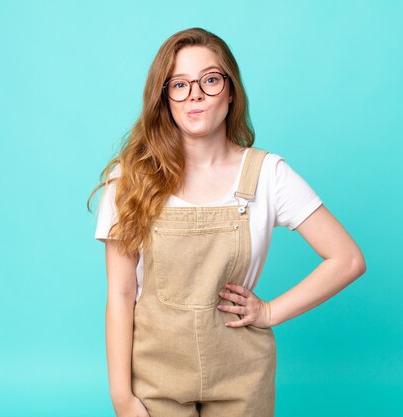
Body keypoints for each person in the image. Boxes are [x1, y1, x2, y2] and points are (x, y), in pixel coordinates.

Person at [88, 27, 366, 417]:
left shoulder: (269, 174)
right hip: (154, 378)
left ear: (231, 90)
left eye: (210, 80)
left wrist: (270, 312)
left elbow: (348, 259)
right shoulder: (129, 178)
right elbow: (118, 295)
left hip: (242, 377)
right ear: (164, 98)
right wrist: (122, 396)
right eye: (179, 84)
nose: (195, 94)